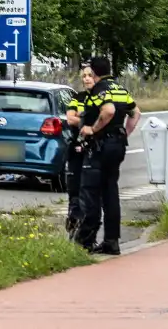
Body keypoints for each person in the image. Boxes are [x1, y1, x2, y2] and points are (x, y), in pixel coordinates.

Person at [74, 56, 139, 255]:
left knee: (90, 192)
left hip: (100, 146)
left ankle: (85, 242)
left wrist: (92, 129)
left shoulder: (99, 89)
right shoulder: (120, 89)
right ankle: (112, 241)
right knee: (110, 193)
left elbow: (108, 110)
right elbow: (135, 113)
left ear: (94, 72)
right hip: (117, 145)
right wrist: (124, 134)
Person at [63, 66, 95, 236]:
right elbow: (70, 119)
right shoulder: (78, 97)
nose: (87, 79)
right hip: (76, 148)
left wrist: (82, 119)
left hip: (93, 149)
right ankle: (73, 220)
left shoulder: (100, 98)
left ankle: (87, 231)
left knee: (89, 189)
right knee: (74, 187)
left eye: (90, 75)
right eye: (84, 76)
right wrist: (88, 122)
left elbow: (104, 118)